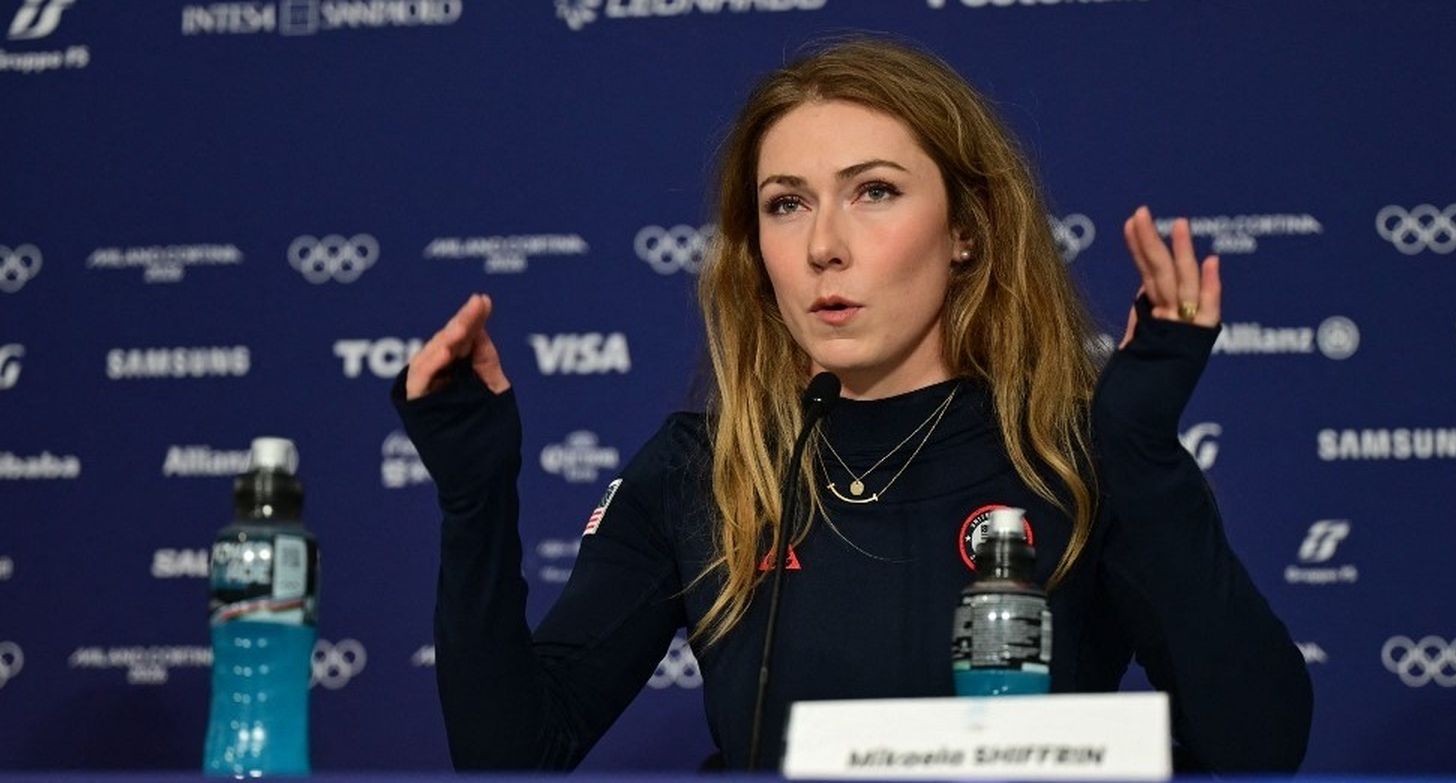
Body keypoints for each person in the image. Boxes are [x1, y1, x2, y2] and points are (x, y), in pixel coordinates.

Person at [393, 37, 1311, 774]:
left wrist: (1140, 451)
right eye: (786, 204)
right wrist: (476, 497)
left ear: (966, 229)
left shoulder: (1070, 451)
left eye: (874, 192)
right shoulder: (704, 467)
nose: (823, 245)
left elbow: (1258, 747)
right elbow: (513, 753)